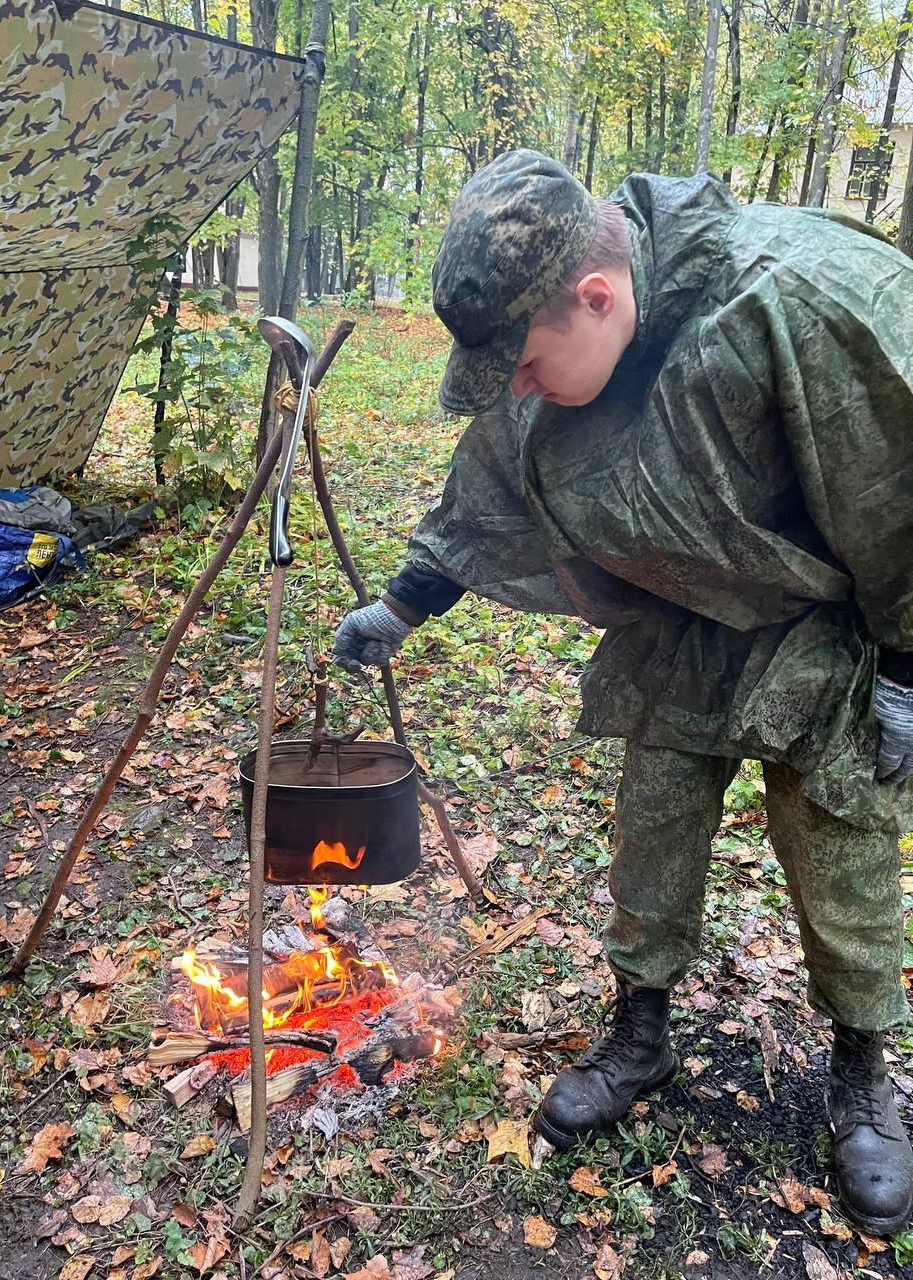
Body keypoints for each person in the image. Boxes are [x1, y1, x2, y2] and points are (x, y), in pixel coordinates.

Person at [332, 149, 913, 1236]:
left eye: (528, 363)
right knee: (653, 831)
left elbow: (902, 480)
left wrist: (911, 669)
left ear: (598, 296)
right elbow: (496, 471)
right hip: (680, 622)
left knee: (842, 848)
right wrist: (407, 601)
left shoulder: (799, 297)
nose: (518, 387)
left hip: (824, 627)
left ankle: (861, 1073)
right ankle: (640, 1035)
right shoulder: (552, 338)